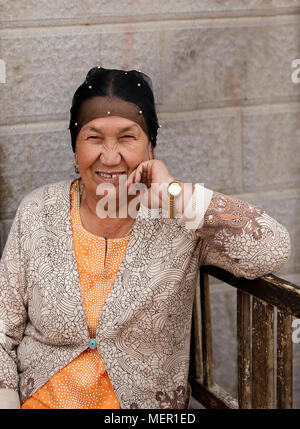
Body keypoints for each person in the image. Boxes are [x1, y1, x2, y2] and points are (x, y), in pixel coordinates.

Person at [0, 67, 291, 409]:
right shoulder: (38, 211)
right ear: (75, 145)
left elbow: (272, 248)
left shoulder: (179, 219)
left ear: (150, 145)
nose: (110, 157)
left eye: (127, 137)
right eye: (93, 137)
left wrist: (175, 196)